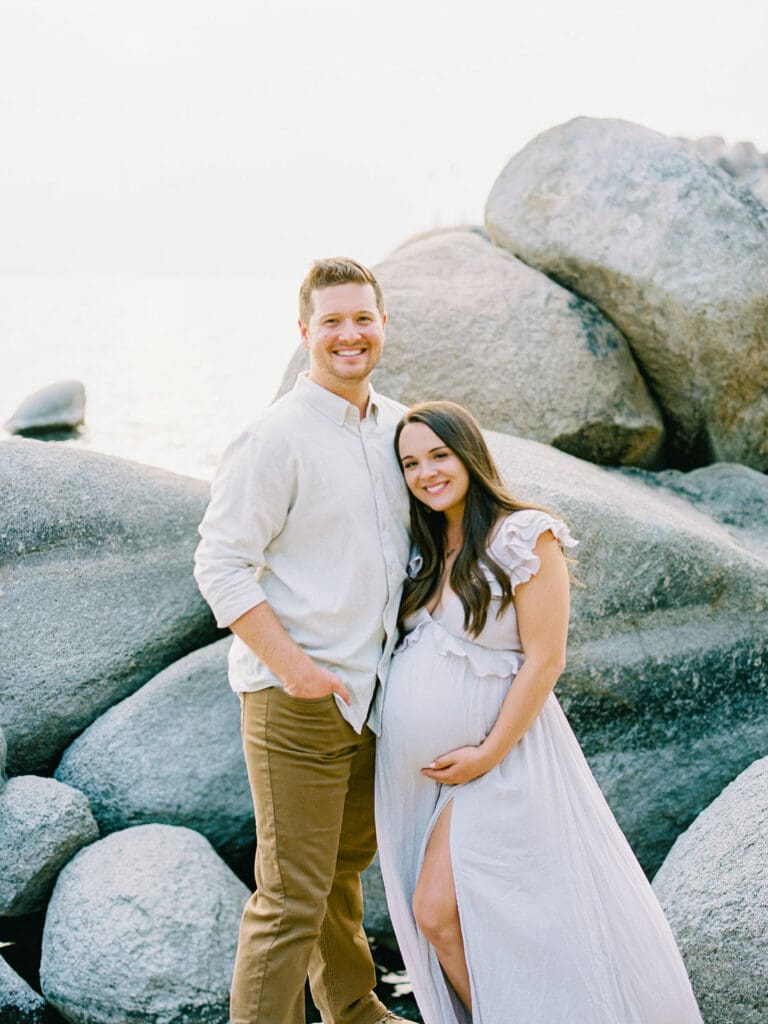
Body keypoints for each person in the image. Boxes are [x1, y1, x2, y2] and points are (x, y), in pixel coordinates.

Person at [375, 400, 704, 1024]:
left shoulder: (525, 535)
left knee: (438, 912)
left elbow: (545, 659)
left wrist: (487, 753)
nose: (426, 473)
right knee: (476, 924)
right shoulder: (418, 550)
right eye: (410, 463)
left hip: (505, 762)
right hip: (428, 783)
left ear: (469, 453)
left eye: (439, 455)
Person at [194, 257, 412, 1024]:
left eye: (362, 318)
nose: (349, 334)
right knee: (289, 899)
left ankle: (353, 1009)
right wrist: (296, 672)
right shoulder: (273, 437)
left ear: (383, 324)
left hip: (371, 699)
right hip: (296, 700)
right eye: (332, 321)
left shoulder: (397, 427)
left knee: (340, 874)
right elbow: (219, 564)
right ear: (304, 333)